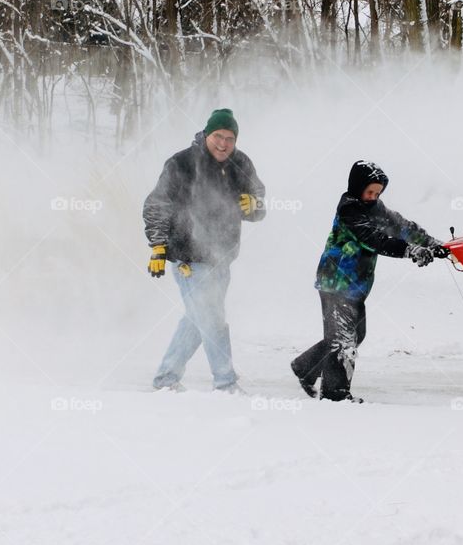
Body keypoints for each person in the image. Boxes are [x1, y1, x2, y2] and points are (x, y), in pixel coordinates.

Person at [291, 160, 445, 402]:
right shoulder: (350, 209)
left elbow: (401, 226)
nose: (373, 197)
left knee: (354, 336)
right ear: (357, 187)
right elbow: (375, 240)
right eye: (370, 191)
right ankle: (335, 396)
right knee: (342, 342)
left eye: (378, 193)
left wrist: (432, 244)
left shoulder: (375, 207)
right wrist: (409, 251)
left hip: (356, 286)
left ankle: (305, 367)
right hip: (336, 282)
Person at [143, 108, 266, 393]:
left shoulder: (241, 163)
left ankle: (166, 379)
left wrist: (255, 206)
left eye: (230, 138)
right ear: (206, 134)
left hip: (222, 258)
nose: (223, 144)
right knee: (212, 320)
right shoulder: (182, 163)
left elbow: (258, 198)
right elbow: (156, 205)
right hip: (189, 256)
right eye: (218, 136)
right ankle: (225, 383)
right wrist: (158, 248)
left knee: (198, 320)